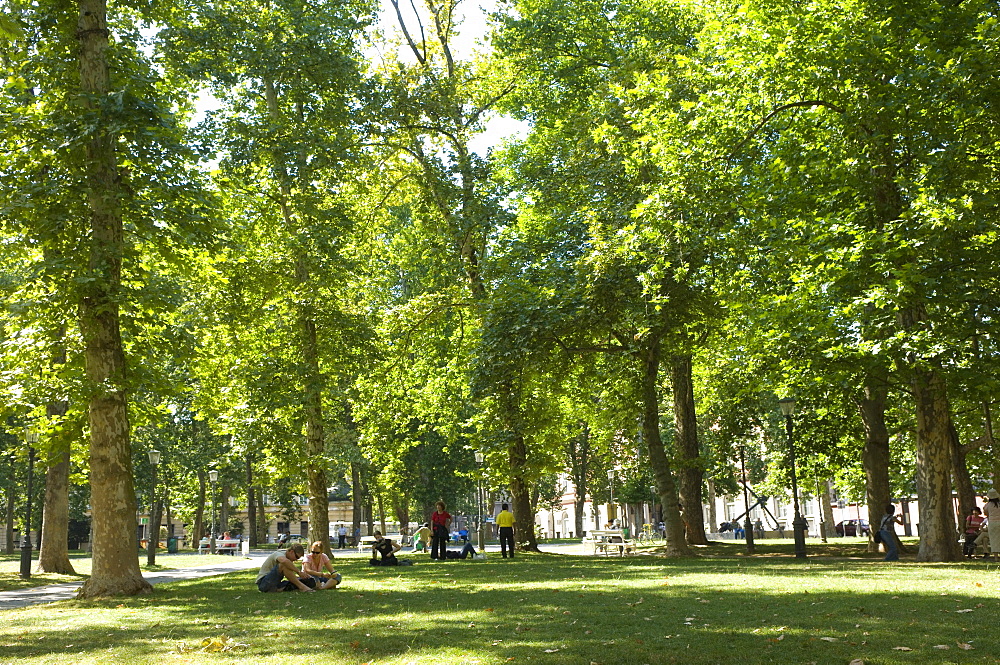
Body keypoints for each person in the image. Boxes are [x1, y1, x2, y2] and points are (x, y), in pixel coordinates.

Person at [984, 490, 1000, 560]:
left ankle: (996, 557)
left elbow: (986, 513)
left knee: (993, 539)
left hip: (992, 523)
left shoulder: (987, 505)